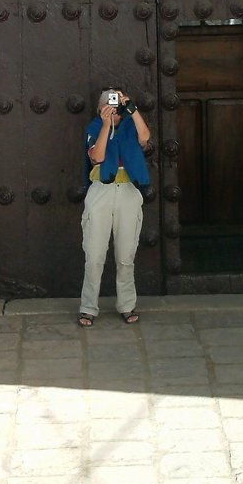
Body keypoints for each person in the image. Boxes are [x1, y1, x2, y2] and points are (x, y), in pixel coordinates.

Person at [78, 88, 150, 326]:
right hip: (101, 192)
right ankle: (88, 307)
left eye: (118, 107)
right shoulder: (94, 128)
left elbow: (145, 138)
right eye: (110, 106)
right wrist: (106, 125)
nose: (116, 111)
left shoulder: (131, 124)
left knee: (125, 255)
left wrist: (133, 109)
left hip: (128, 191)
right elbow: (97, 157)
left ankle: (127, 305)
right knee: (95, 254)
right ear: (100, 109)